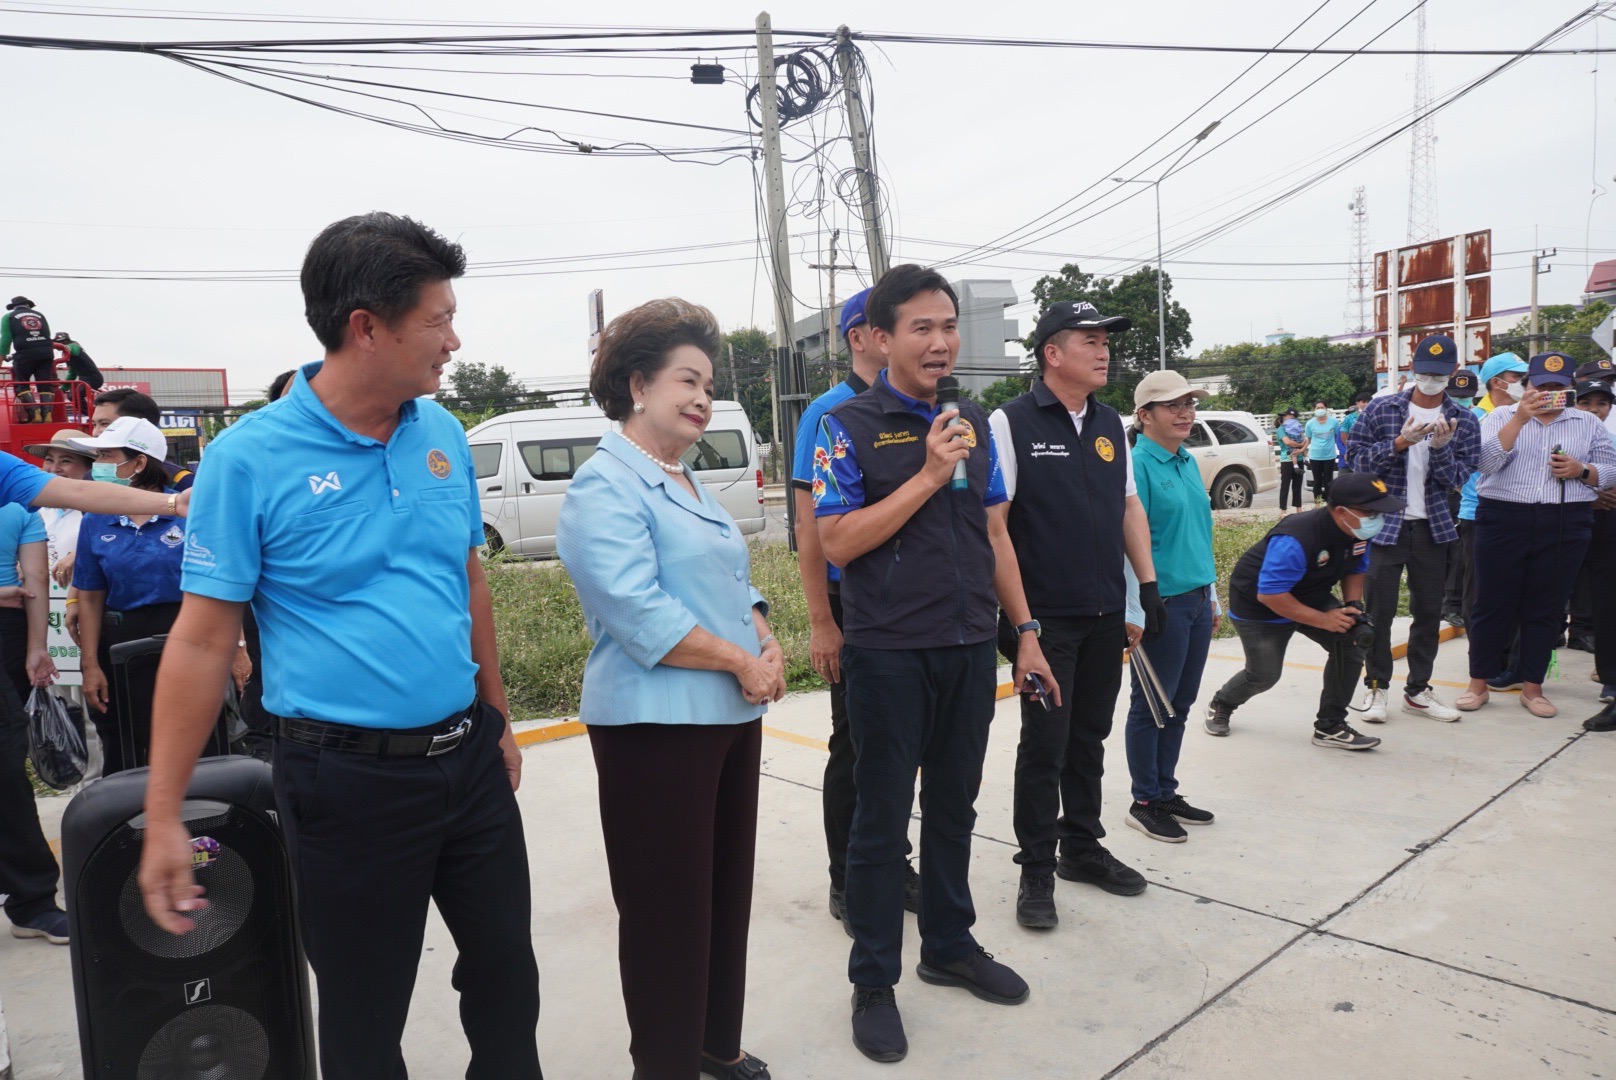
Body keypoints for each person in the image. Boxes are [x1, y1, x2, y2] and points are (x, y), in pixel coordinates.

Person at [136, 212, 542, 1080]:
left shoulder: (439, 434)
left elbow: (465, 582)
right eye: (437, 319)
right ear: (366, 327)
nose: (454, 340)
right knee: (365, 1014)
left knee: (509, 977)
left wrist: (498, 715)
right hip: (346, 783)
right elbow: (203, 642)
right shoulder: (249, 459)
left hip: (467, 761)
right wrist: (164, 814)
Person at [813, 265, 1055, 1062]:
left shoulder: (973, 421)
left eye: (948, 325)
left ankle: (949, 945)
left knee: (955, 808)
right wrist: (924, 473)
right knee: (882, 826)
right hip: (887, 655)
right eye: (921, 326)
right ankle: (874, 980)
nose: (941, 340)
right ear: (879, 339)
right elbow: (837, 541)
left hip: (964, 649)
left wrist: (1023, 631)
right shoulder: (846, 425)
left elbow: (993, 537)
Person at [557, 298, 783, 1080]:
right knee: (665, 915)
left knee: (723, 895)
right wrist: (738, 661)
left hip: (727, 714)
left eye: (708, 385)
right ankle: (664, 1065)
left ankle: (714, 1044)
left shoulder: (684, 480)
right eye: (687, 380)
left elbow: (732, 574)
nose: (701, 398)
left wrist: (764, 631)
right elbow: (636, 609)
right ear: (637, 383)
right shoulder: (602, 486)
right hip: (654, 728)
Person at [987, 297, 1162, 929]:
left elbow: (1127, 510)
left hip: (1103, 615)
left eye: (1106, 340)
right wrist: (1023, 626)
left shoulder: (1112, 422)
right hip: (1045, 622)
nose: (1103, 349)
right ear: (1051, 353)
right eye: (1088, 340)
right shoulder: (1010, 423)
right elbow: (995, 528)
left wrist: (1148, 588)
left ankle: (1081, 849)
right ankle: (1036, 869)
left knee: (1089, 737)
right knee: (1045, 744)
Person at [0, 434, 194, 950]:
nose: (103, 464)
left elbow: (74, 494)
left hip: (164, 636)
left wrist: (174, 502)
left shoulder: (12, 481)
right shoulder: (94, 528)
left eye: (111, 454)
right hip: (98, 633)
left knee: (6, 757)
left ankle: (32, 897)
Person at [790, 287, 918, 934]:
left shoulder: (914, 407)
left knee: (902, 744)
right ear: (861, 337)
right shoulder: (828, 413)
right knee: (855, 746)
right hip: (850, 597)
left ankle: (895, 863)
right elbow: (809, 527)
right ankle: (847, 876)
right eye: (884, 324)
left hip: (907, 597)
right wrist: (821, 619)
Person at [1457, 352, 1616, 719]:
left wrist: (1582, 470)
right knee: (1491, 604)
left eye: (1558, 387)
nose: (1549, 393)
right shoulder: (1499, 416)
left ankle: (1533, 687)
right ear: (1526, 385)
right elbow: (1485, 464)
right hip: (1502, 518)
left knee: (1545, 607)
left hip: (1564, 520)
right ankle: (1477, 683)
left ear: (1570, 389)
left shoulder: (1587, 424)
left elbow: (1609, 470)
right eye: (1541, 386)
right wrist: (1520, 418)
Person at [1205, 472, 1403, 750]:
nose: (1378, 518)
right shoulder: (1297, 538)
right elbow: (1270, 594)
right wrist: (1323, 619)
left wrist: (1352, 607)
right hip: (1260, 606)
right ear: (1342, 512)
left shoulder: (1356, 530)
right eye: (1371, 512)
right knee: (1264, 676)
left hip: (1309, 594)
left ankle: (1330, 726)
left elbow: (1356, 568)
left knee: (1351, 640)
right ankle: (1222, 702)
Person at [1342, 334, 1479, 725]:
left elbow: (1456, 480)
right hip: (1385, 529)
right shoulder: (1383, 411)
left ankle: (1418, 690)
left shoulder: (1463, 420)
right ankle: (1376, 688)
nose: (1430, 379)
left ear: (1452, 372)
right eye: (1423, 372)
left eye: (1438, 374)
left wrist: (1440, 448)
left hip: (1433, 530)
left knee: (1428, 613)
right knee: (1380, 613)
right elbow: (1359, 466)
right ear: (1411, 369)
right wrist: (1400, 443)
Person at [68, 418, 215, 776]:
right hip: (121, 642)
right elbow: (90, 596)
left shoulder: (189, 511)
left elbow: (219, 585)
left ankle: (206, 821)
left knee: (196, 743)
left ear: (139, 462)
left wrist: (237, 650)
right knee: (125, 744)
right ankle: (132, 826)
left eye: (107, 455)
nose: (98, 464)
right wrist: (90, 665)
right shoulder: (96, 518)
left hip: (185, 636)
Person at [1119, 369, 1220, 843]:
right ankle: (1144, 799)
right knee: (1152, 704)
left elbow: (1199, 532)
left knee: (1179, 702)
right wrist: (1135, 610)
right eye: (1173, 405)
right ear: (1144, 415)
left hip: (1197, 600)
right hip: (1162, 604)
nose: (1186, 413)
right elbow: (1123, 542)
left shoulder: (1185, 461)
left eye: (1190, 404)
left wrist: (1212, 594)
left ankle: (1165, 790)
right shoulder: (1136, 464)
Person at [1570, 379, 1616, 731]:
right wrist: (1591, 494)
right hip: (1573, 521)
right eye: (1586, 402)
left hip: (1608, 524)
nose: (1595, 409)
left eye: (1602, 403)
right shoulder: (1566, 431)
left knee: (1608, 602)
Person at [90, 388, 195, 490]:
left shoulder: (182, 482)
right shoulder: (91, 478)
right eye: (94, 425)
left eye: (105, 424)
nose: (95, 433)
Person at [1440, 369, 1480, 627]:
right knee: (1450, 550)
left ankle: (1453, 604)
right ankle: (1449, 604)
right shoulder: (1439, 417)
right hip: (1444, 489)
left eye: (1465, 396)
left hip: (1463, 490)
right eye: (1456, 396)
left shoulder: (1478, 417)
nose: (1460, 401)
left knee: (1459, 553)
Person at [3, 297, 55, 422]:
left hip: (25, 354)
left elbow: (5, 339)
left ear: (14, 307)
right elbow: (47, 334)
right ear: (28, 305)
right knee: (44, 383)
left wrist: (1, 356)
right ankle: (47, 416)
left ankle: (34, 415)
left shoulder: (8, 316)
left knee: (21, 383)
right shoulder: (40, 315)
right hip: (46, 353)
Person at [50, 332, 102, 418]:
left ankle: (95, 416)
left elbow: (73, 349)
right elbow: (72, 373)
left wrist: (62, 347)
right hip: (85, 379)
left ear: (63, 342)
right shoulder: (67, 355)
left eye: (57, 342)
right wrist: (63, 388)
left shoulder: (73, 346)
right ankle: (93, 415)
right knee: (72, 396)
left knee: (75, 396)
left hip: (93, 378)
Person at [1303, 400, 1341, 502]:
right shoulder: (1310, 424)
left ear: (1326, 408)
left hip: (1329, 455)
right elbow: (1309, 439)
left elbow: (1338, 437)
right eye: (1317, 408)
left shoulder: (1334, 422)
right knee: (1317, 481)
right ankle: (1317, 503)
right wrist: (1303, 451)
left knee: (1329, 481)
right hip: (1315, 456)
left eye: (1322, 407)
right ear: (1314, 410)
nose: (1320, 410)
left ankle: (1329, 503)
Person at [1277, 408, 1305, 513]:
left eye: (1288, 415)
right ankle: (1283, 510)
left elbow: (1305, 440)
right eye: (1285, 415)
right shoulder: (1281, 429)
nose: (1286, 417)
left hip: (1299, 459)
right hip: (1286, 460)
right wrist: (1301, 445)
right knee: (1285, 485)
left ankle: (1299, 509)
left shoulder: (1298, 428)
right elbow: (1288, 442)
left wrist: (1301, 448)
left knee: (1297, 486)